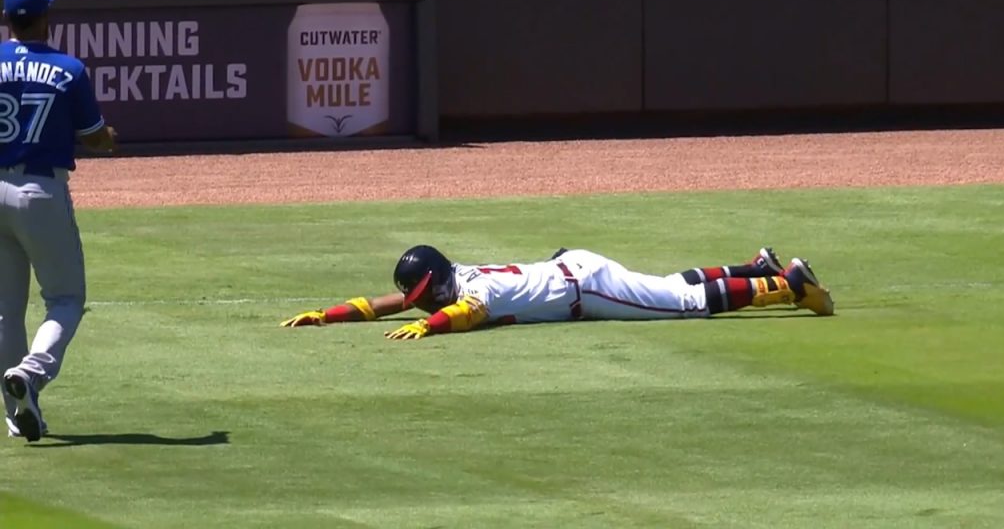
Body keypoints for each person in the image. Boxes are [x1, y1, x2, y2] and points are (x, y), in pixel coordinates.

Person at [0, 0, 117, 442]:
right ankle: (31, 373)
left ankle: (16, 412)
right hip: (39, 190)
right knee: (66, 299)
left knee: (6, 311)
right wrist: (110, 140)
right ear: (46, 18)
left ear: (7, 19)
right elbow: (94, 137)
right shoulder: (68, 68)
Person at [280, 245, 834, 339]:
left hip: (585, 287)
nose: (421, 302)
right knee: (665, 287)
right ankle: (753, 265)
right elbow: (389, 303)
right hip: (575, 272)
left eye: (426, 295)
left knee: (681, 304)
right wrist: (328, 315)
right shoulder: (455, 279)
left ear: (441, 280)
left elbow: (466, 316)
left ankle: (786, 287)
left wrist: (431, 326)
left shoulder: (472, 293)